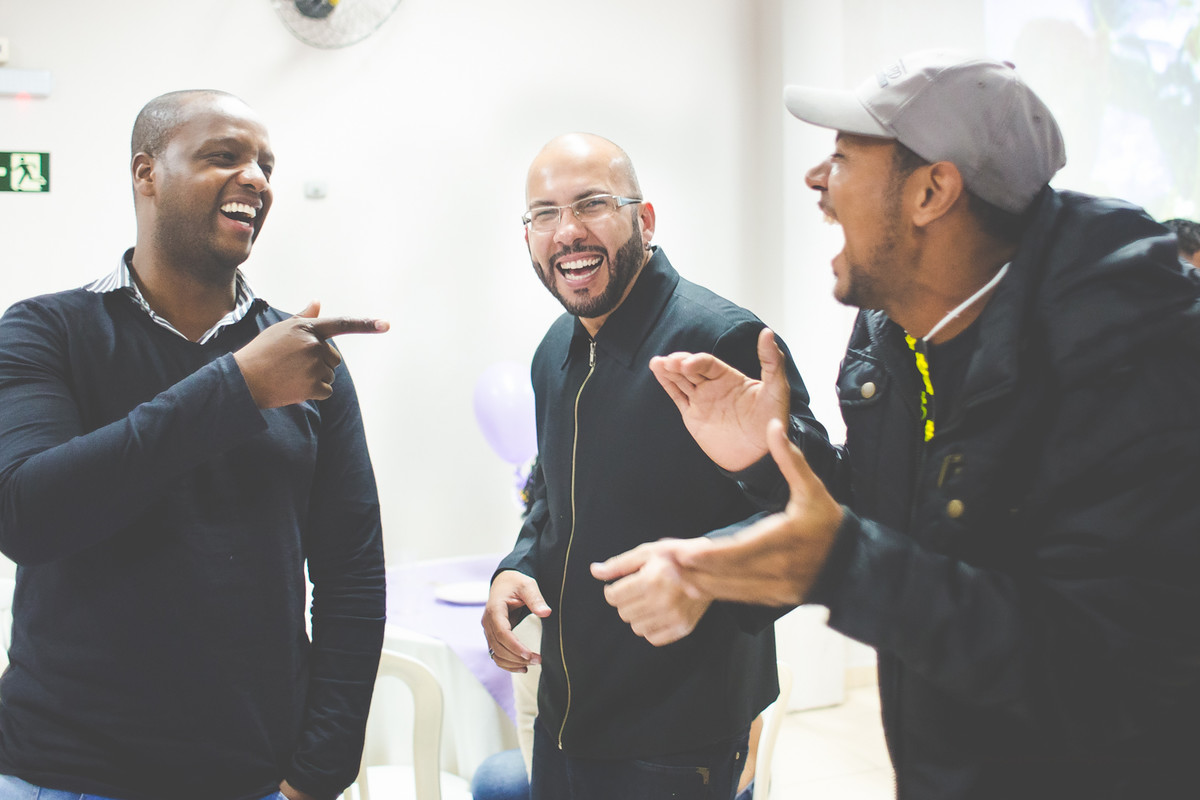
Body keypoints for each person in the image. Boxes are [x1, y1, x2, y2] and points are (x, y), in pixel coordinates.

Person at [593, 50, 1200, 798]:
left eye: (844, 158)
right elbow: (898, 520)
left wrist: (844, 567)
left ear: (931, 192)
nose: (816, 180)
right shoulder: (897, 330)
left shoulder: (1134, 360)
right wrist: (770, 456)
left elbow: (1108, 668)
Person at [0, 90, 389, 800]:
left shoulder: (302, 358)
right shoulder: (45, 331)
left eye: (266, 164)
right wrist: (236, 388)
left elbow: (352, 576)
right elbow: (27, 515)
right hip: (63, 775)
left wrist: (321, 770)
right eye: (223, 156)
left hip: (254, 778)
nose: (257, 179)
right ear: (146, 173)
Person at [481, 132, 832, 800]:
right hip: (564, 722)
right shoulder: (554, 349)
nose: (568, 231)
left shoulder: (721, 339)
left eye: (592, 204)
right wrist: (518, 565)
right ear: (528, 236)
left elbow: (817, 515)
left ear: (644, 220)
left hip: (677, 739)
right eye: (546, 214)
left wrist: (704, 572)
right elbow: (551, 494)